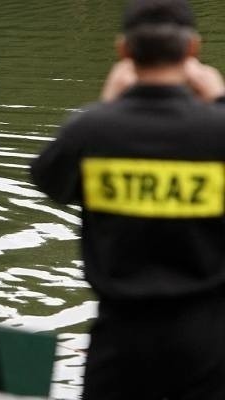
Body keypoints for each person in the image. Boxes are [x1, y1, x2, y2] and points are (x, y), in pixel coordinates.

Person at [30, 0, 225, 398]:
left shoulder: (92, 131)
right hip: (208, 341)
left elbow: (48, 181)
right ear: (193, 50)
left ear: (123, 51)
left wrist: (106, 108)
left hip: (119, 339)